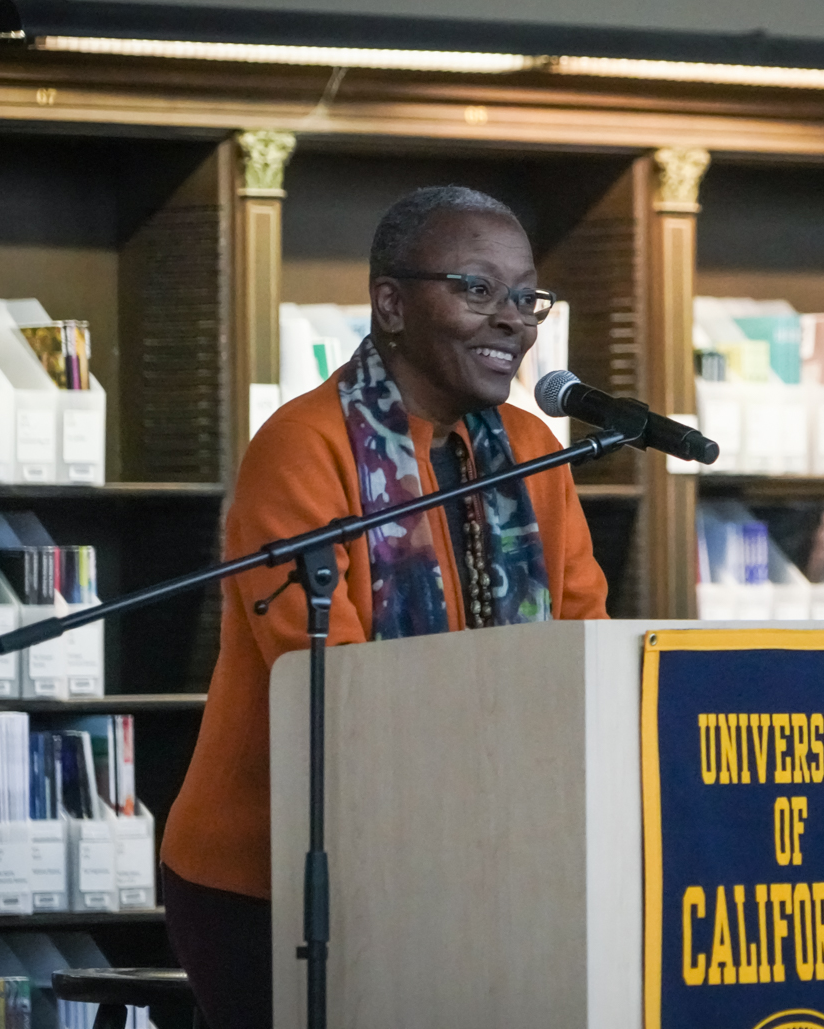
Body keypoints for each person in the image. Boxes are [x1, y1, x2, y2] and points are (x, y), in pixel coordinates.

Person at [159, 186, 609, 1029]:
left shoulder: (534, 449)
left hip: (483, 858)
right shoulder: (304, 444)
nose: (514, 320)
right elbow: (335, 683)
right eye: (478, 289)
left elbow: (582, 639)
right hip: (275, 873)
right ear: (391, 304)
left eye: (525, 296)